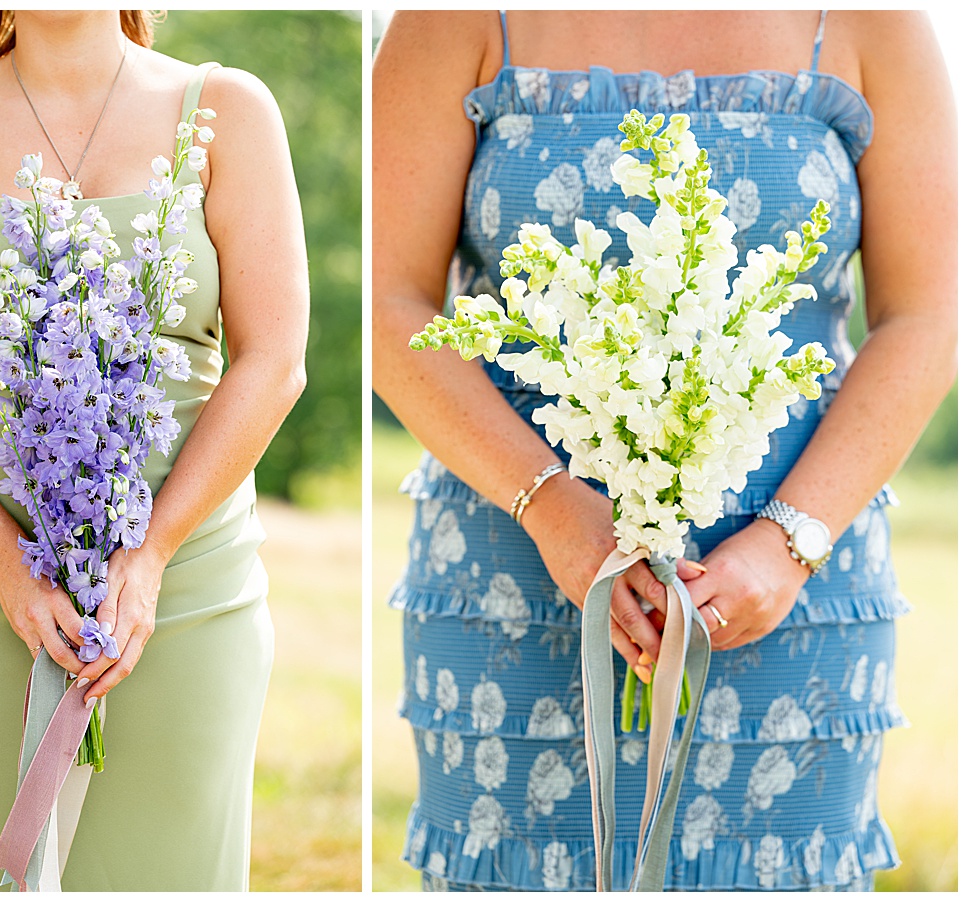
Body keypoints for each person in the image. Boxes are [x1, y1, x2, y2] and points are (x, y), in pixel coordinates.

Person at [373, 10, 954, 891]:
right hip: (515, 579)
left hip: (789, 595)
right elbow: (391, 305)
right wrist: (552, 507)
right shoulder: (453, 20)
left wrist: (788, 541)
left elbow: (929, 317)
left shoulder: (874, 23)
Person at [0, 9, 308, 890]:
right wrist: (9, 568)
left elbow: (275, 362)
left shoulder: (227, 112)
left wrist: (154, 551)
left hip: (183, 596)